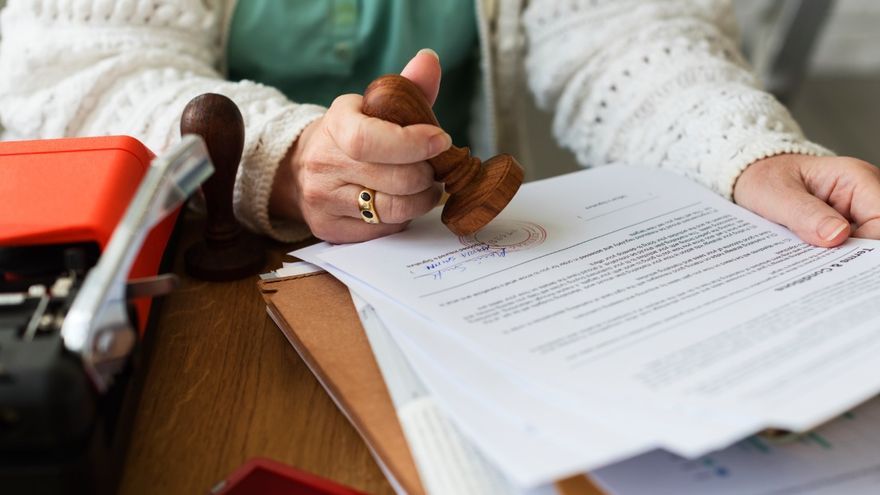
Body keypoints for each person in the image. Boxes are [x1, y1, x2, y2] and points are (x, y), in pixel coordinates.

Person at [1, 0, 878, 247]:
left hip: (455, 256)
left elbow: (626, 33)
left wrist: (738, 148)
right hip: (205, 259)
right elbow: (76, 70)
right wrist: (284, 157)